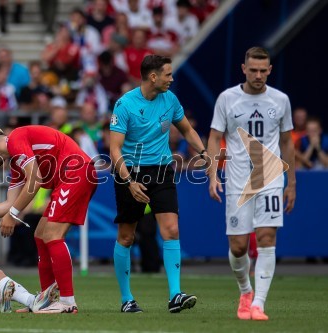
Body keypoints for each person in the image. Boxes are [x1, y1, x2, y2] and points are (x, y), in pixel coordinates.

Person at [207, 47, 296, 321]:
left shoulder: (280, 100)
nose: (258, 75)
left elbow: (286, 142)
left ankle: (258, 303)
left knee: (267, 238)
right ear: (243, 69)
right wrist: (212, 174)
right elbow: (213, 137)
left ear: (270, 70)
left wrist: (291, 183)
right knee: (238, 246)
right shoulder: (227, 99)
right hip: (236, 179)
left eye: (263, 70)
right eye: (253, 70)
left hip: (270, 178)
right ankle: (245, 291)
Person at [110, 54, 204, 313]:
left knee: (171, 229)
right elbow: (114, 150)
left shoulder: (170, 100)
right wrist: (129, 182)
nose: (171, 79)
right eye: (168, 74)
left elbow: (187, 130)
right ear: (153, 77)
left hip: (162, 170)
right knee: (127, 237)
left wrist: (205, 153)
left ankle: (175, 295)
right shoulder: (125, 104)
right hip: (129, 173)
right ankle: (127, 299)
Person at [0, 124, 98, 313]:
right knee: (40, 234)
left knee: (53, 235)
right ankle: (45, 301)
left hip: (75, 172)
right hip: (69, 176)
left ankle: (67, 302)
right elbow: (9, 204)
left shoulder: (16, 139)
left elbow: (36, 179)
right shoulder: (16, 162)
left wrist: (13, 214)